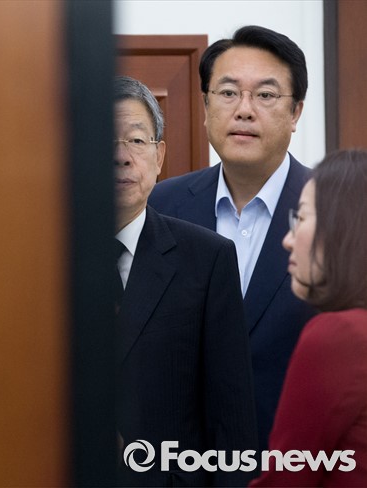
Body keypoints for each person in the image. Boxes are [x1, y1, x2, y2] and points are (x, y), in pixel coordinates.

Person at [148, 25, 316, 452]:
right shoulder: (161, 206)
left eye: (265, 95)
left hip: (295, 464)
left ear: (295, 112)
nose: (244, 110)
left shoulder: (337, 212)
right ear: (205, 107)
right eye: (227, 93)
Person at [113, 76, 257, 487]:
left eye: (136, 141)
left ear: (159, 156)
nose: (122, 157)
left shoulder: (207, 259)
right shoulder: (40, 261)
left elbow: (232, 425)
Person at [250, 149, 367, 486]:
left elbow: (286, 479)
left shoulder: (338, 335)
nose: (288, 240)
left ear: (341, 228)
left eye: (300, 218)